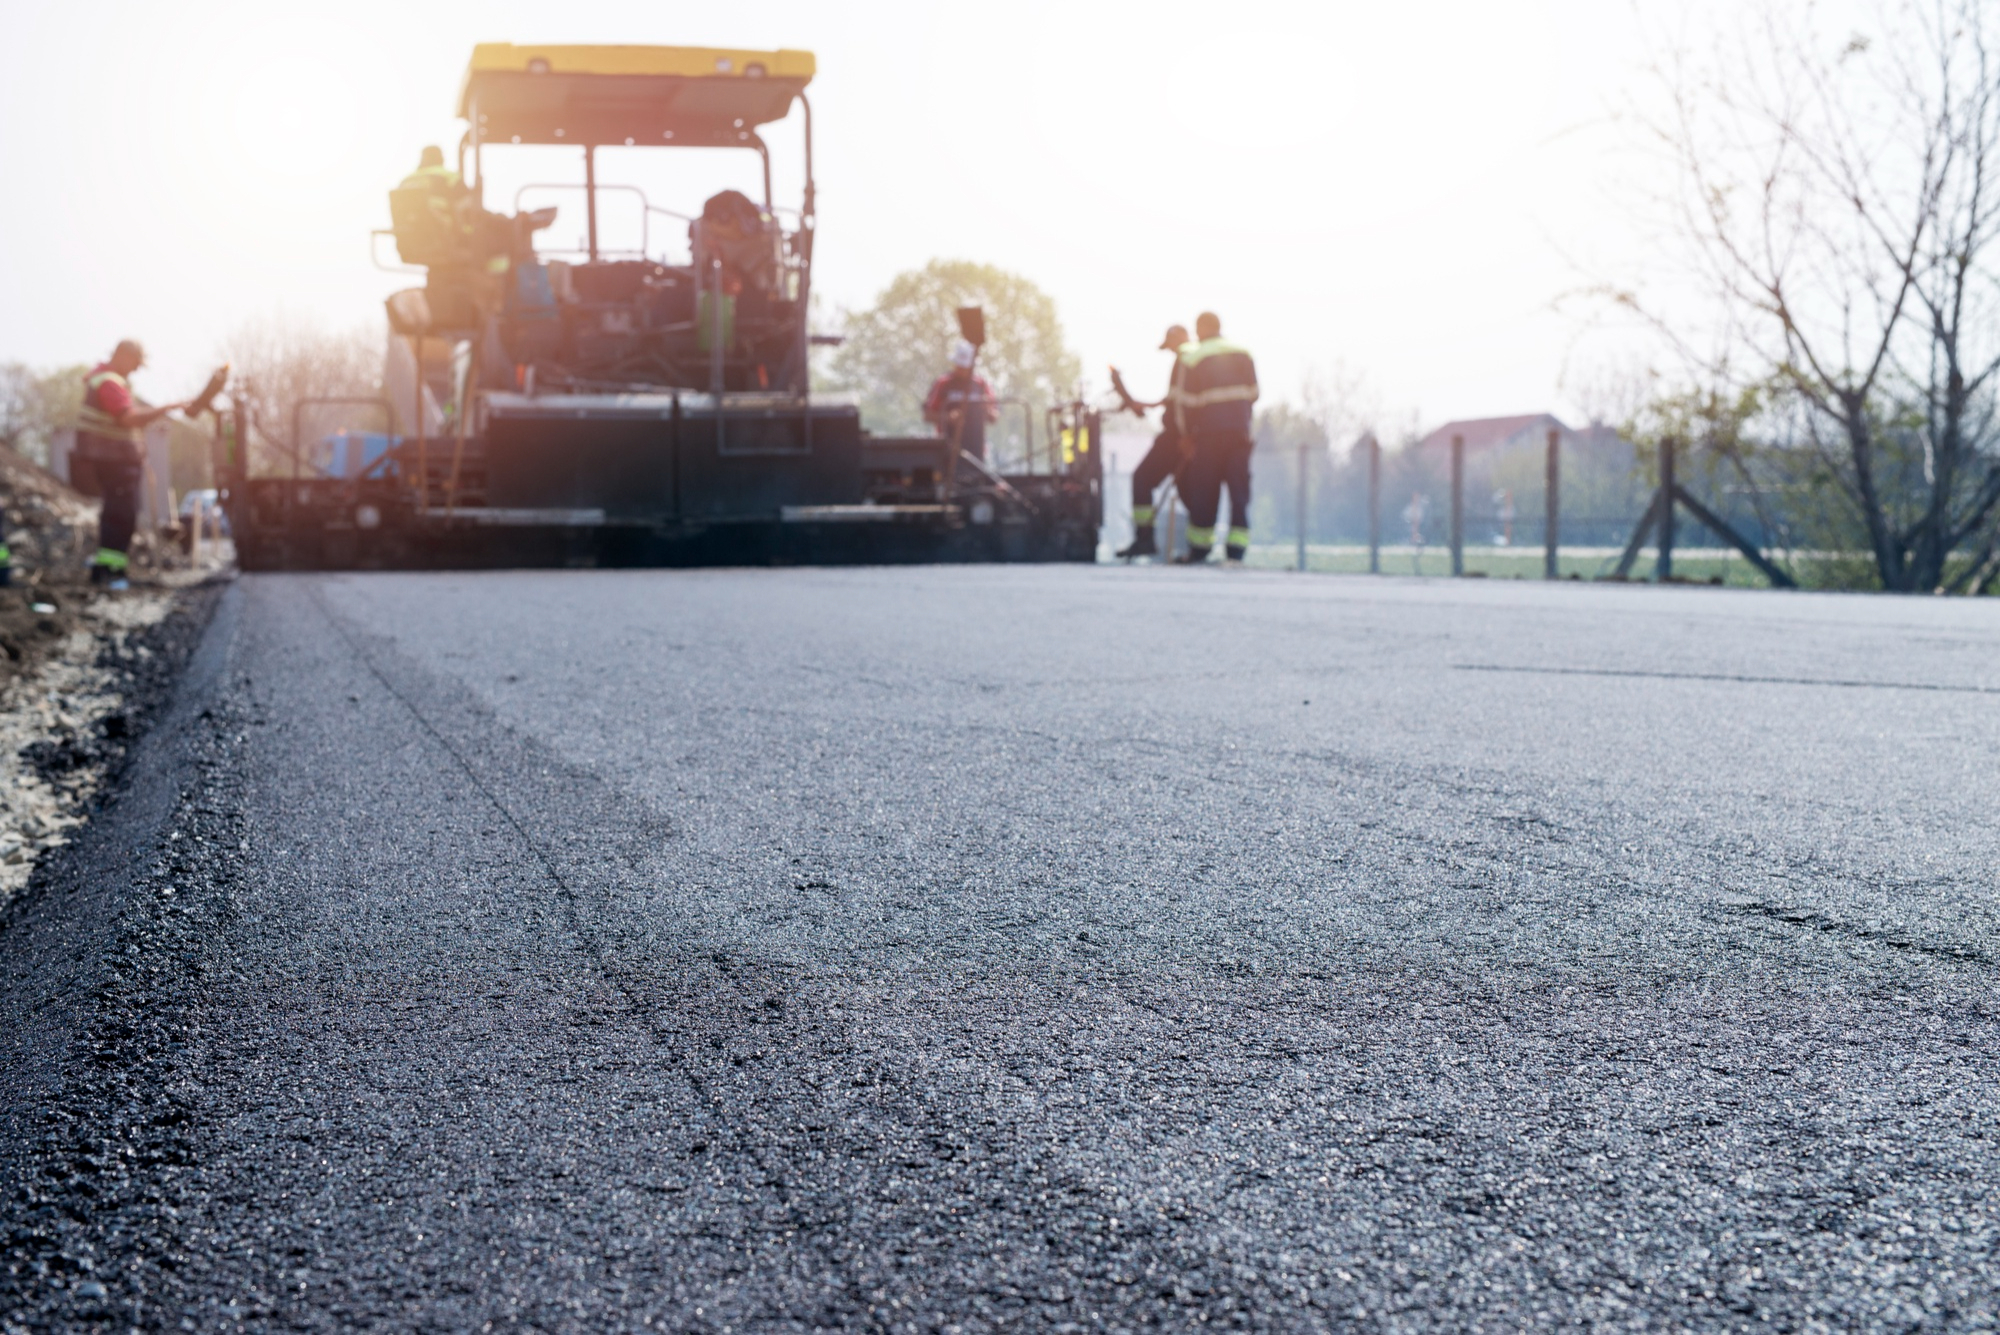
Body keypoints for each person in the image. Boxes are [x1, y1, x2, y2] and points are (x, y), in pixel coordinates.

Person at [74, 341, 185, 589]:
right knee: (120, 515)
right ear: (123, 356)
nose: (135, 370)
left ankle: (108, 569)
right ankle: (112, 572)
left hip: (115, 461)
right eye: (135, 364)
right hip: (115, 462)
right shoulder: (110, 382)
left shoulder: (104, 379)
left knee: (118, 514)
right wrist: (165, 409)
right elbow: (127, 419)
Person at [1172, 311, 1259, 564]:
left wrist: (1187, 436)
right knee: (1239, 493)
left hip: (1208, 437)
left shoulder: (1193, 357)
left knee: (1204, 493)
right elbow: (1254, 393)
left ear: (1200, 329)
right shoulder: (1244, 353)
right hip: (1239, 435)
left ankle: (1200, 549)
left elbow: (1185, 404)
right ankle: (1236, 551)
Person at [1114, 324, 1192, 560]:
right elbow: (1173, 399)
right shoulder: (1186, 361)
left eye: (1170, 345)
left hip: (1177, 437)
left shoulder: (1185, 359)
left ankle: (1145, 538)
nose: (1170, 351)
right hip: (1182, 435)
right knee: (1189, 491)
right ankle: (1195, 547)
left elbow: (1182, 403)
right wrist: (1146, 405)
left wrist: (1185, 434)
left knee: (1142, 478)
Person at [923, 340, 999, 463]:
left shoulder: (981, 384)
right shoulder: (943, 383)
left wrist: (987, 410)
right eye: (960, 366)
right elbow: (927, 415)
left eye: (965, 367)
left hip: (977, 452)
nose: (962, 370)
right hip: (947, 450)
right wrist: (948, 418)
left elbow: (994, 416)